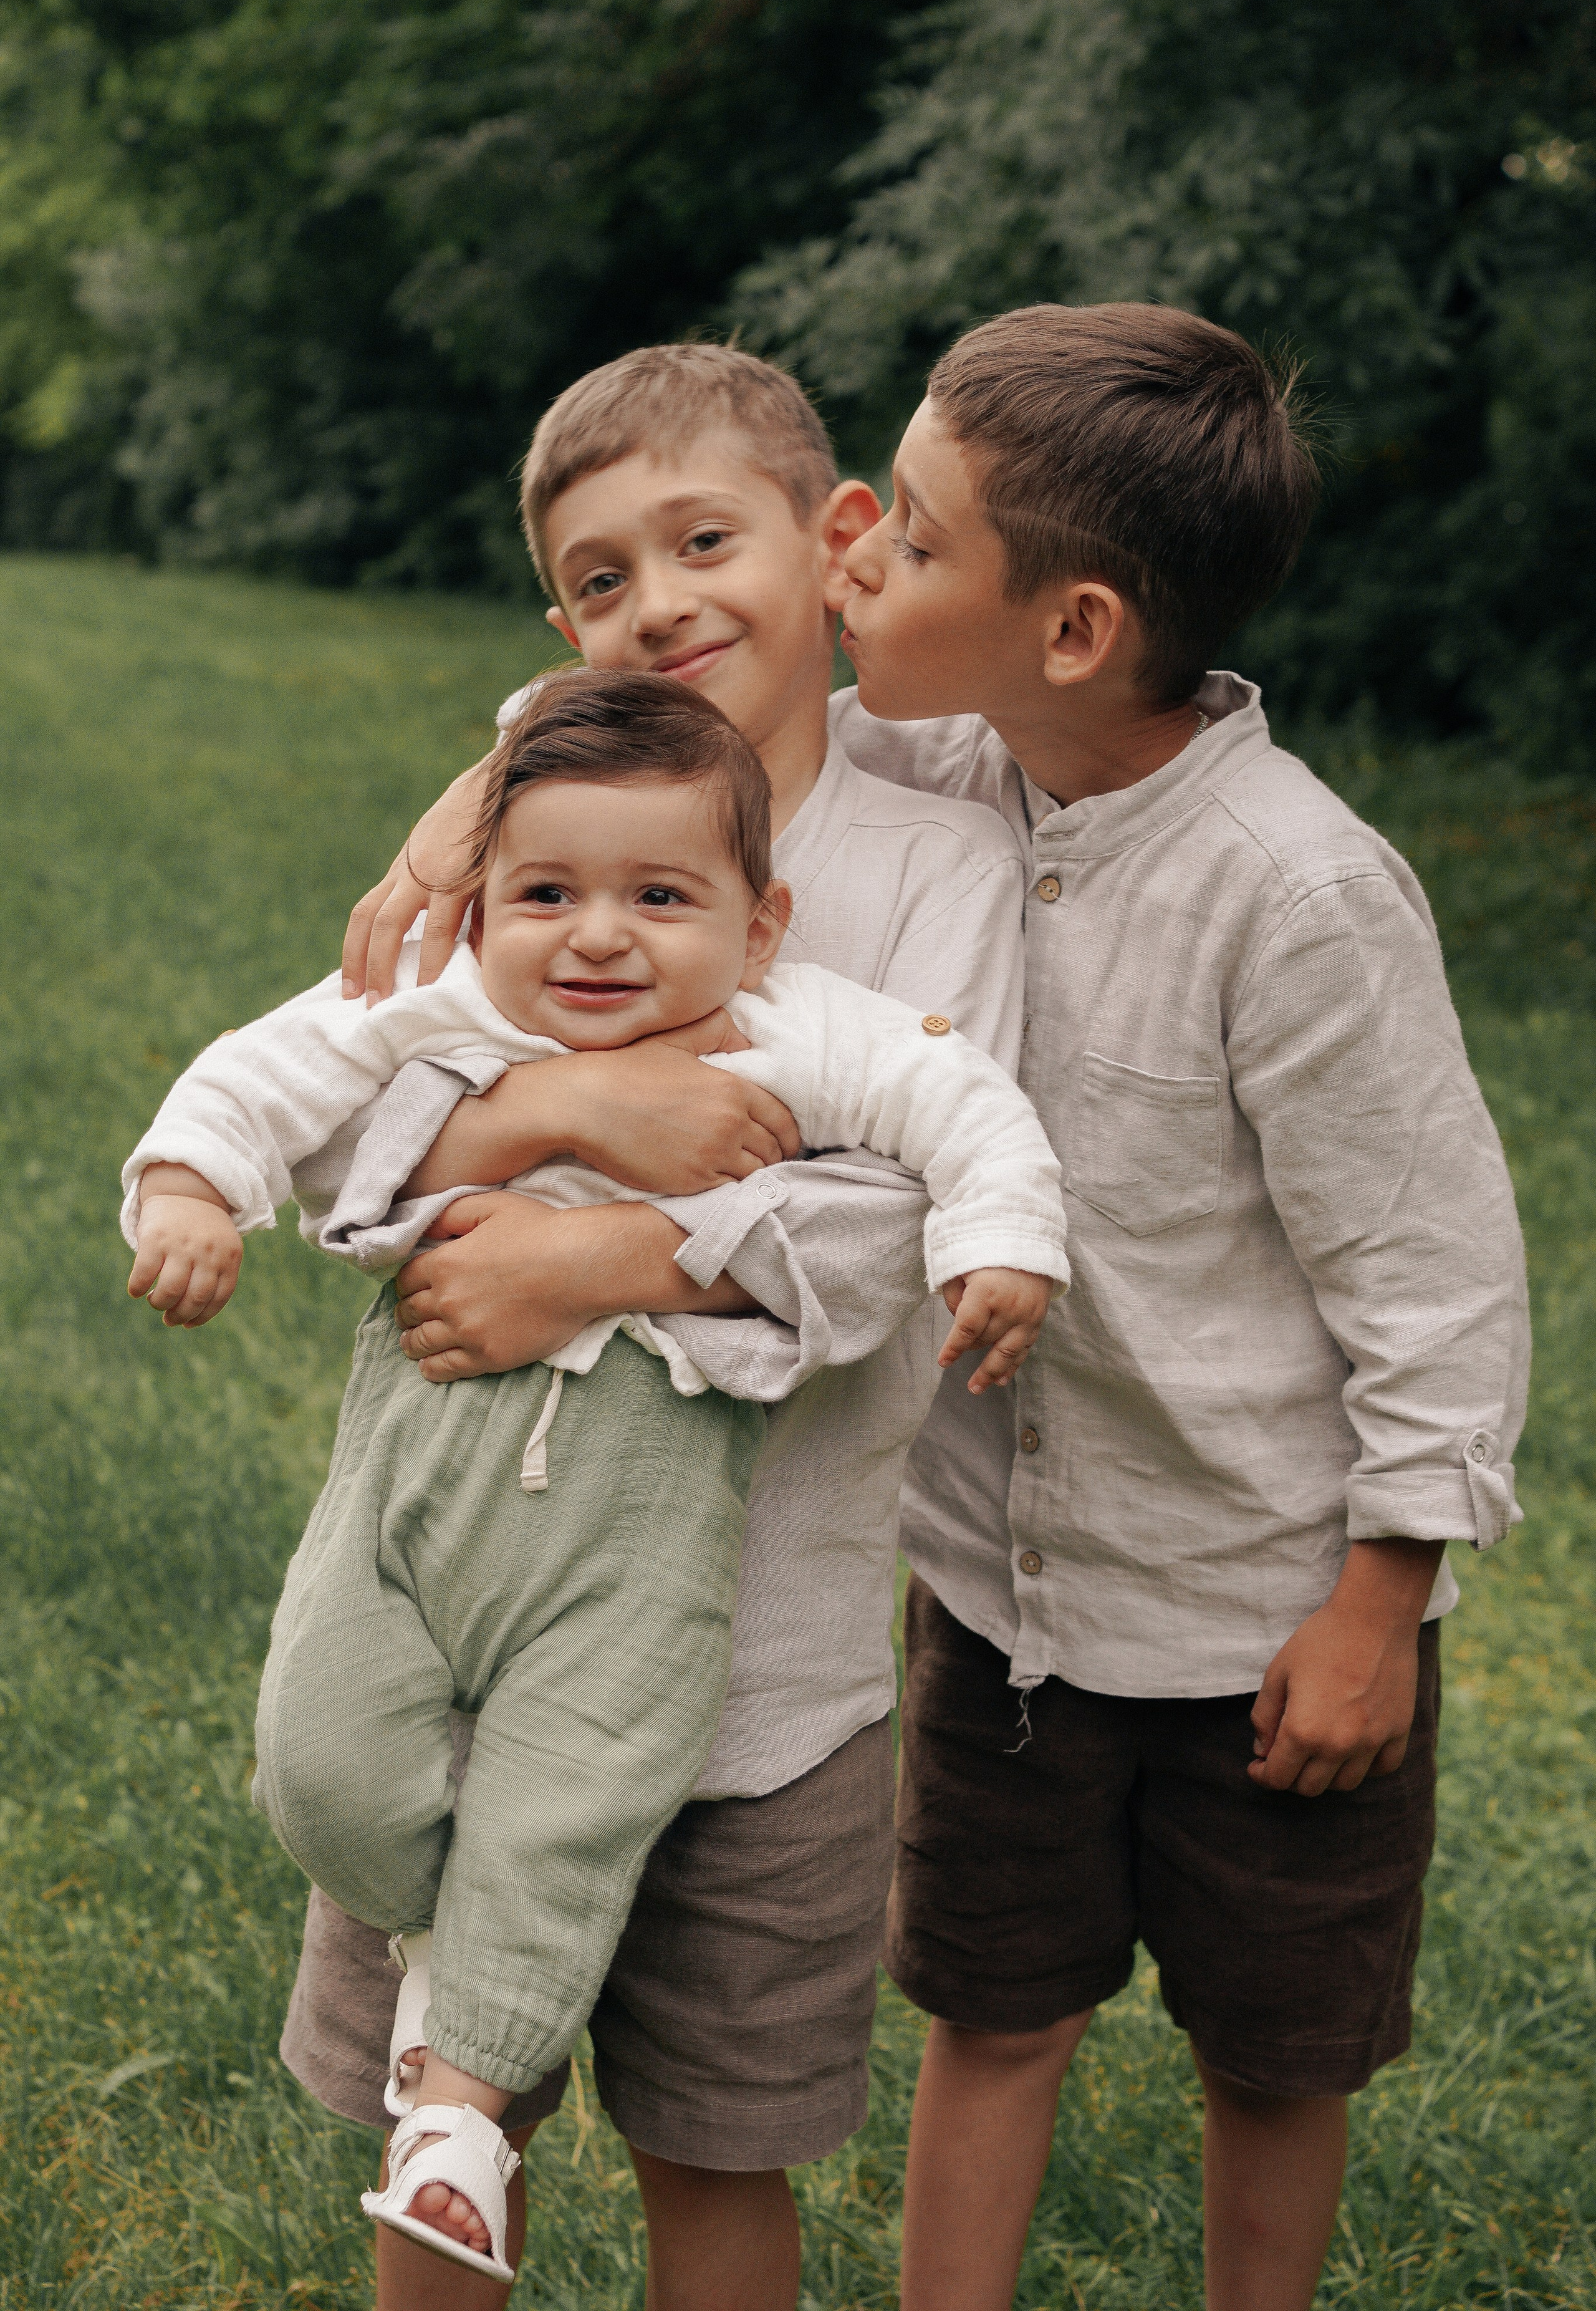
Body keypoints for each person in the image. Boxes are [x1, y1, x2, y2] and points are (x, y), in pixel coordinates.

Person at [125, 668, 1067, 2284]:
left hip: (638, 1550)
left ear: (760, 928)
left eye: (661, 898)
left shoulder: (803, 1031)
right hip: (409, 1503)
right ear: (485, 906)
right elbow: (264, 1074)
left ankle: (461, 2110)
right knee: (317, 1764)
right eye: (548, 895)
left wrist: (1001, 1244)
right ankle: (445, 1955)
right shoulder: (458, 1009)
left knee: (570, 1803)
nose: (599, 937)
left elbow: (963, 1108)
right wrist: (189, 1192)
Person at [274, 344, 1040, 2311]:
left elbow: (892, 1226)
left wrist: (600, 1259)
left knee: (717, 2154)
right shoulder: (522, 843)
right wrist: (561, 1107)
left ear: (835, 543)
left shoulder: (938, 864)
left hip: (772, 1678)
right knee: (447, 2149)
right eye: (602, 579)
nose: (664, 603)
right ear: (562, 629)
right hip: (465, 1623)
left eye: (706, 543)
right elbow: (335, 1129)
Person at [821, 301, 1531, 2310]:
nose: (860, 545)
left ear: (1073, 630)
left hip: (1266, 1621)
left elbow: (1434, 1273)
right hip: (1005, 1599)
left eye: (918, 536)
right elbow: (670, 716)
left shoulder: (1299, 896)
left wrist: (1379, 1606)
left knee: (1274, 2052)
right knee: (993, 2010)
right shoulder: (932, 772)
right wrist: (461, 821)